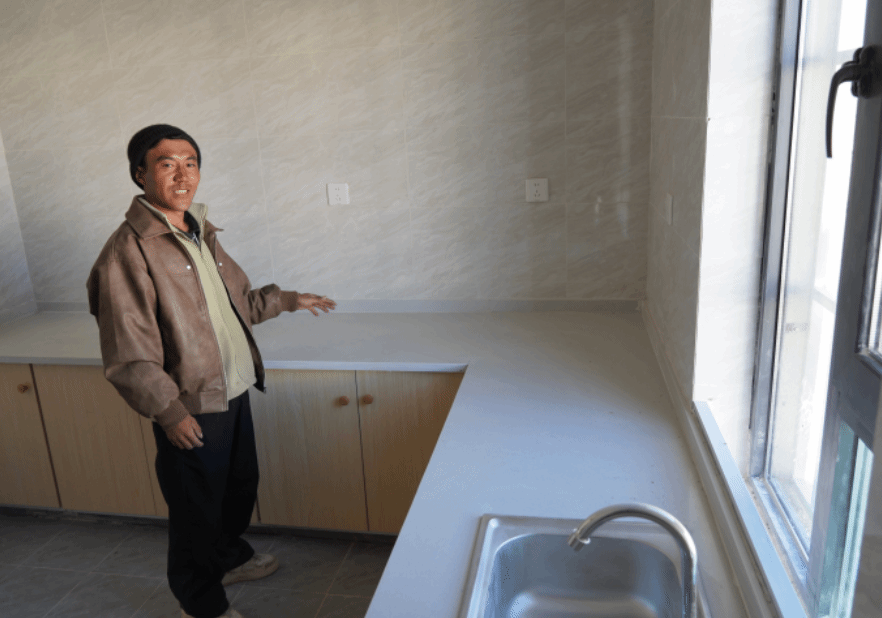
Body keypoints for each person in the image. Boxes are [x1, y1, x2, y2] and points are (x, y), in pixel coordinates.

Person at [86, 124, 336, 618]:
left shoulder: (199, 231)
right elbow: (128, 352)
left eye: (191, 163)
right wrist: (168, 411)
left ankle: (228, 558)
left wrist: (288, 300)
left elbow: (235, 304)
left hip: (232, 389)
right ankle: (200, 604)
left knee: (237, 490)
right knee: (196, 510)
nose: (183, 175)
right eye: (167, 164)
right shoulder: (127, 252)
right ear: (140, 175)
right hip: (191, 403)